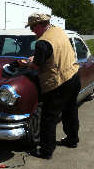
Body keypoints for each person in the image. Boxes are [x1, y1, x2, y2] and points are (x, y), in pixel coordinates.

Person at [7, 12, 81, 160]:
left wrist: (20, 64)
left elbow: (35, 67)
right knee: (70, 110)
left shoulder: (43, 42)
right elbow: (55, 52)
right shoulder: (58, 31)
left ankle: (46, 151)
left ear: (39, 25)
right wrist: (38, 56)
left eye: (32, 28)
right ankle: (72, 140)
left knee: (48, 117)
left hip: (58, 81)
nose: (32, 31)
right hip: (73, 75)